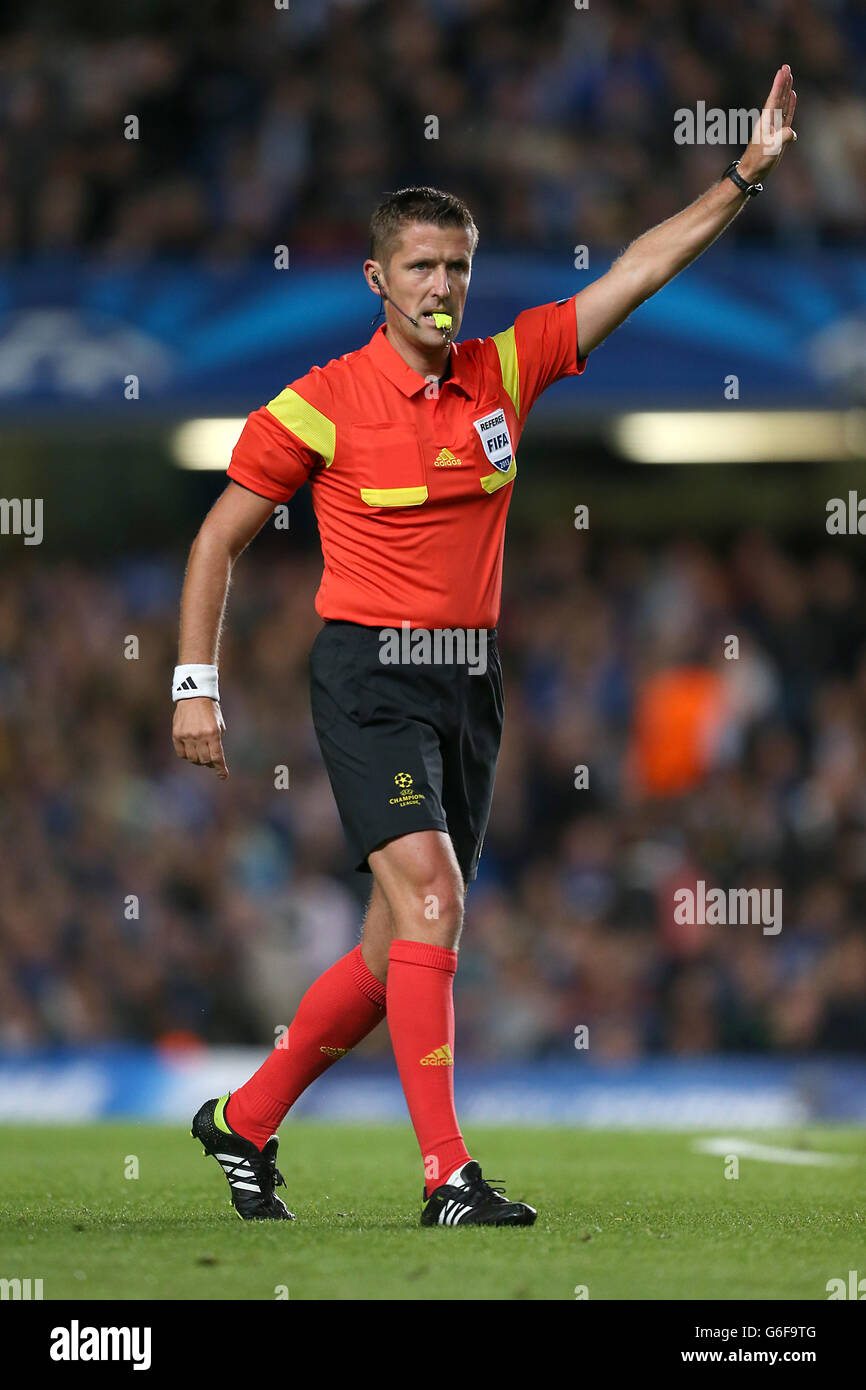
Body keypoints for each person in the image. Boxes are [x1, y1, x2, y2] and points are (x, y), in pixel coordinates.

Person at [173, 68, 797, 1226]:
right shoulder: (318, 403)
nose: (441, 286)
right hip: (369, 675)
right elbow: (217, 540)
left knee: (390, 946)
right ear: (376, 278)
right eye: (419, 266)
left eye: (456, 265)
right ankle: (446, 1177)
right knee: (435, 899)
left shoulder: (505, 370)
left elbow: (636, 270)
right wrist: (195, 684)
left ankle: (244, 1119)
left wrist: (740, 176)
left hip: (471, 683)